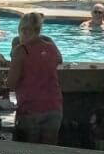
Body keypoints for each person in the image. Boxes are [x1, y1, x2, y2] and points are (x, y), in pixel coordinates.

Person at [6, 11, 63, 145]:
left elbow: (11, 84)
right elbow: (59, 60)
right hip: (54, 107)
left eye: (22, 30)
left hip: (30, 109)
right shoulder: (51, 47)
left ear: (24, 30)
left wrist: (1, 80)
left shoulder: (21, 50)